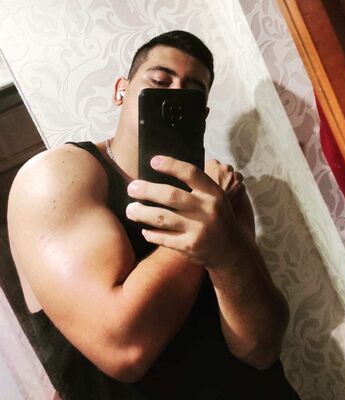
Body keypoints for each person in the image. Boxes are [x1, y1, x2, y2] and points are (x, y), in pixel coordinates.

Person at [7, 30, 300, 399]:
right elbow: (124, 349)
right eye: (160, 81)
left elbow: (260, 348)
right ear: (121, 91)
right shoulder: (58, 175)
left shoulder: (219, 191)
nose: (174, 95)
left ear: (202, 114)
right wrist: (207, 227)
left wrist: (226, 247)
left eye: (192, 93)